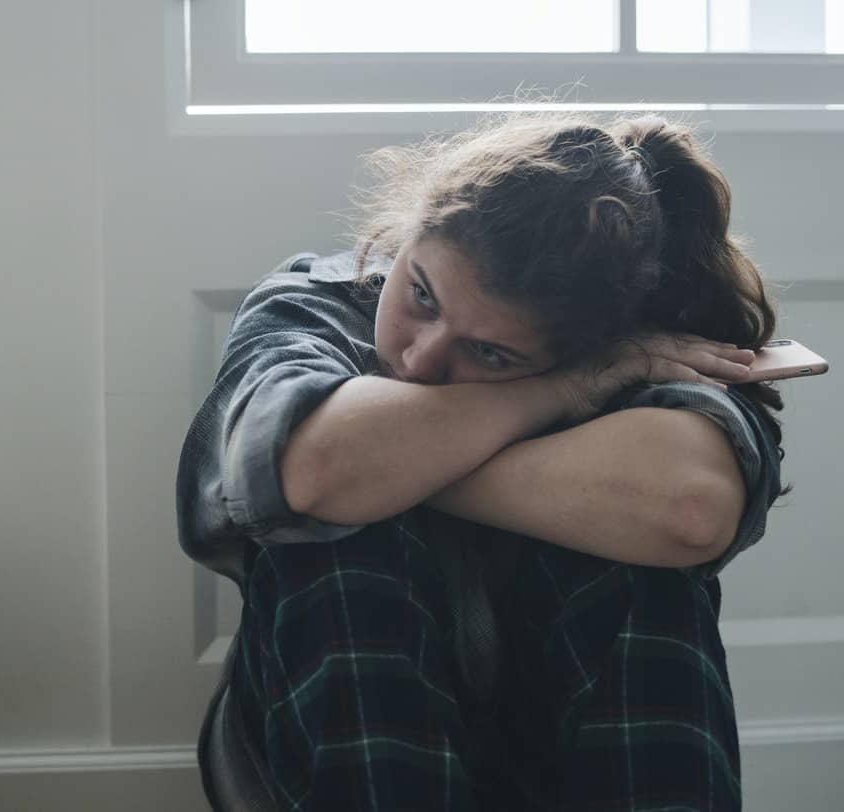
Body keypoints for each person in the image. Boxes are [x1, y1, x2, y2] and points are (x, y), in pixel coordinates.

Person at [175, 112, 785, 811]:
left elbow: (687, 507)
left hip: (563, 748)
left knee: (642, 565)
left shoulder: (649, 351)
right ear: (407, 236)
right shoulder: (316, 303)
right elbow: (314, 473)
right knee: (349, 536)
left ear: (592, 344)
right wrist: (558, 393)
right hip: (338, 733)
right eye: (421, 295)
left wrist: (389, 466)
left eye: (491, 353)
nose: (418, 358)